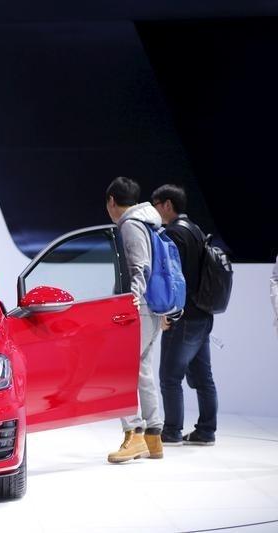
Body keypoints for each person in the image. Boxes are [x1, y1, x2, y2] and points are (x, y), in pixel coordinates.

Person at [151, 184, 217, 446]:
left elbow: (174, 280)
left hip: (184, 316)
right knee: (204, 378)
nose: (155, 210)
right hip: (203, 315)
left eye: (156, 204)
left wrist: (168, 313)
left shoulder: (173, 234)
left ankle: (172, 431)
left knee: (169, 377)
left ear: (167, 204)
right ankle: (206, 431)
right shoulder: (197, 230)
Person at [105, 176, 164, 463]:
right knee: (142, 370)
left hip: (138, 308)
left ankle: (134, 434)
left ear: (112, 201)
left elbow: (139, 267)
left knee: (118, 370)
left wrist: (130, 302)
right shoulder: (150, 222)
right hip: (153, 308)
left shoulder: (129, 225)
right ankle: (154, 438)